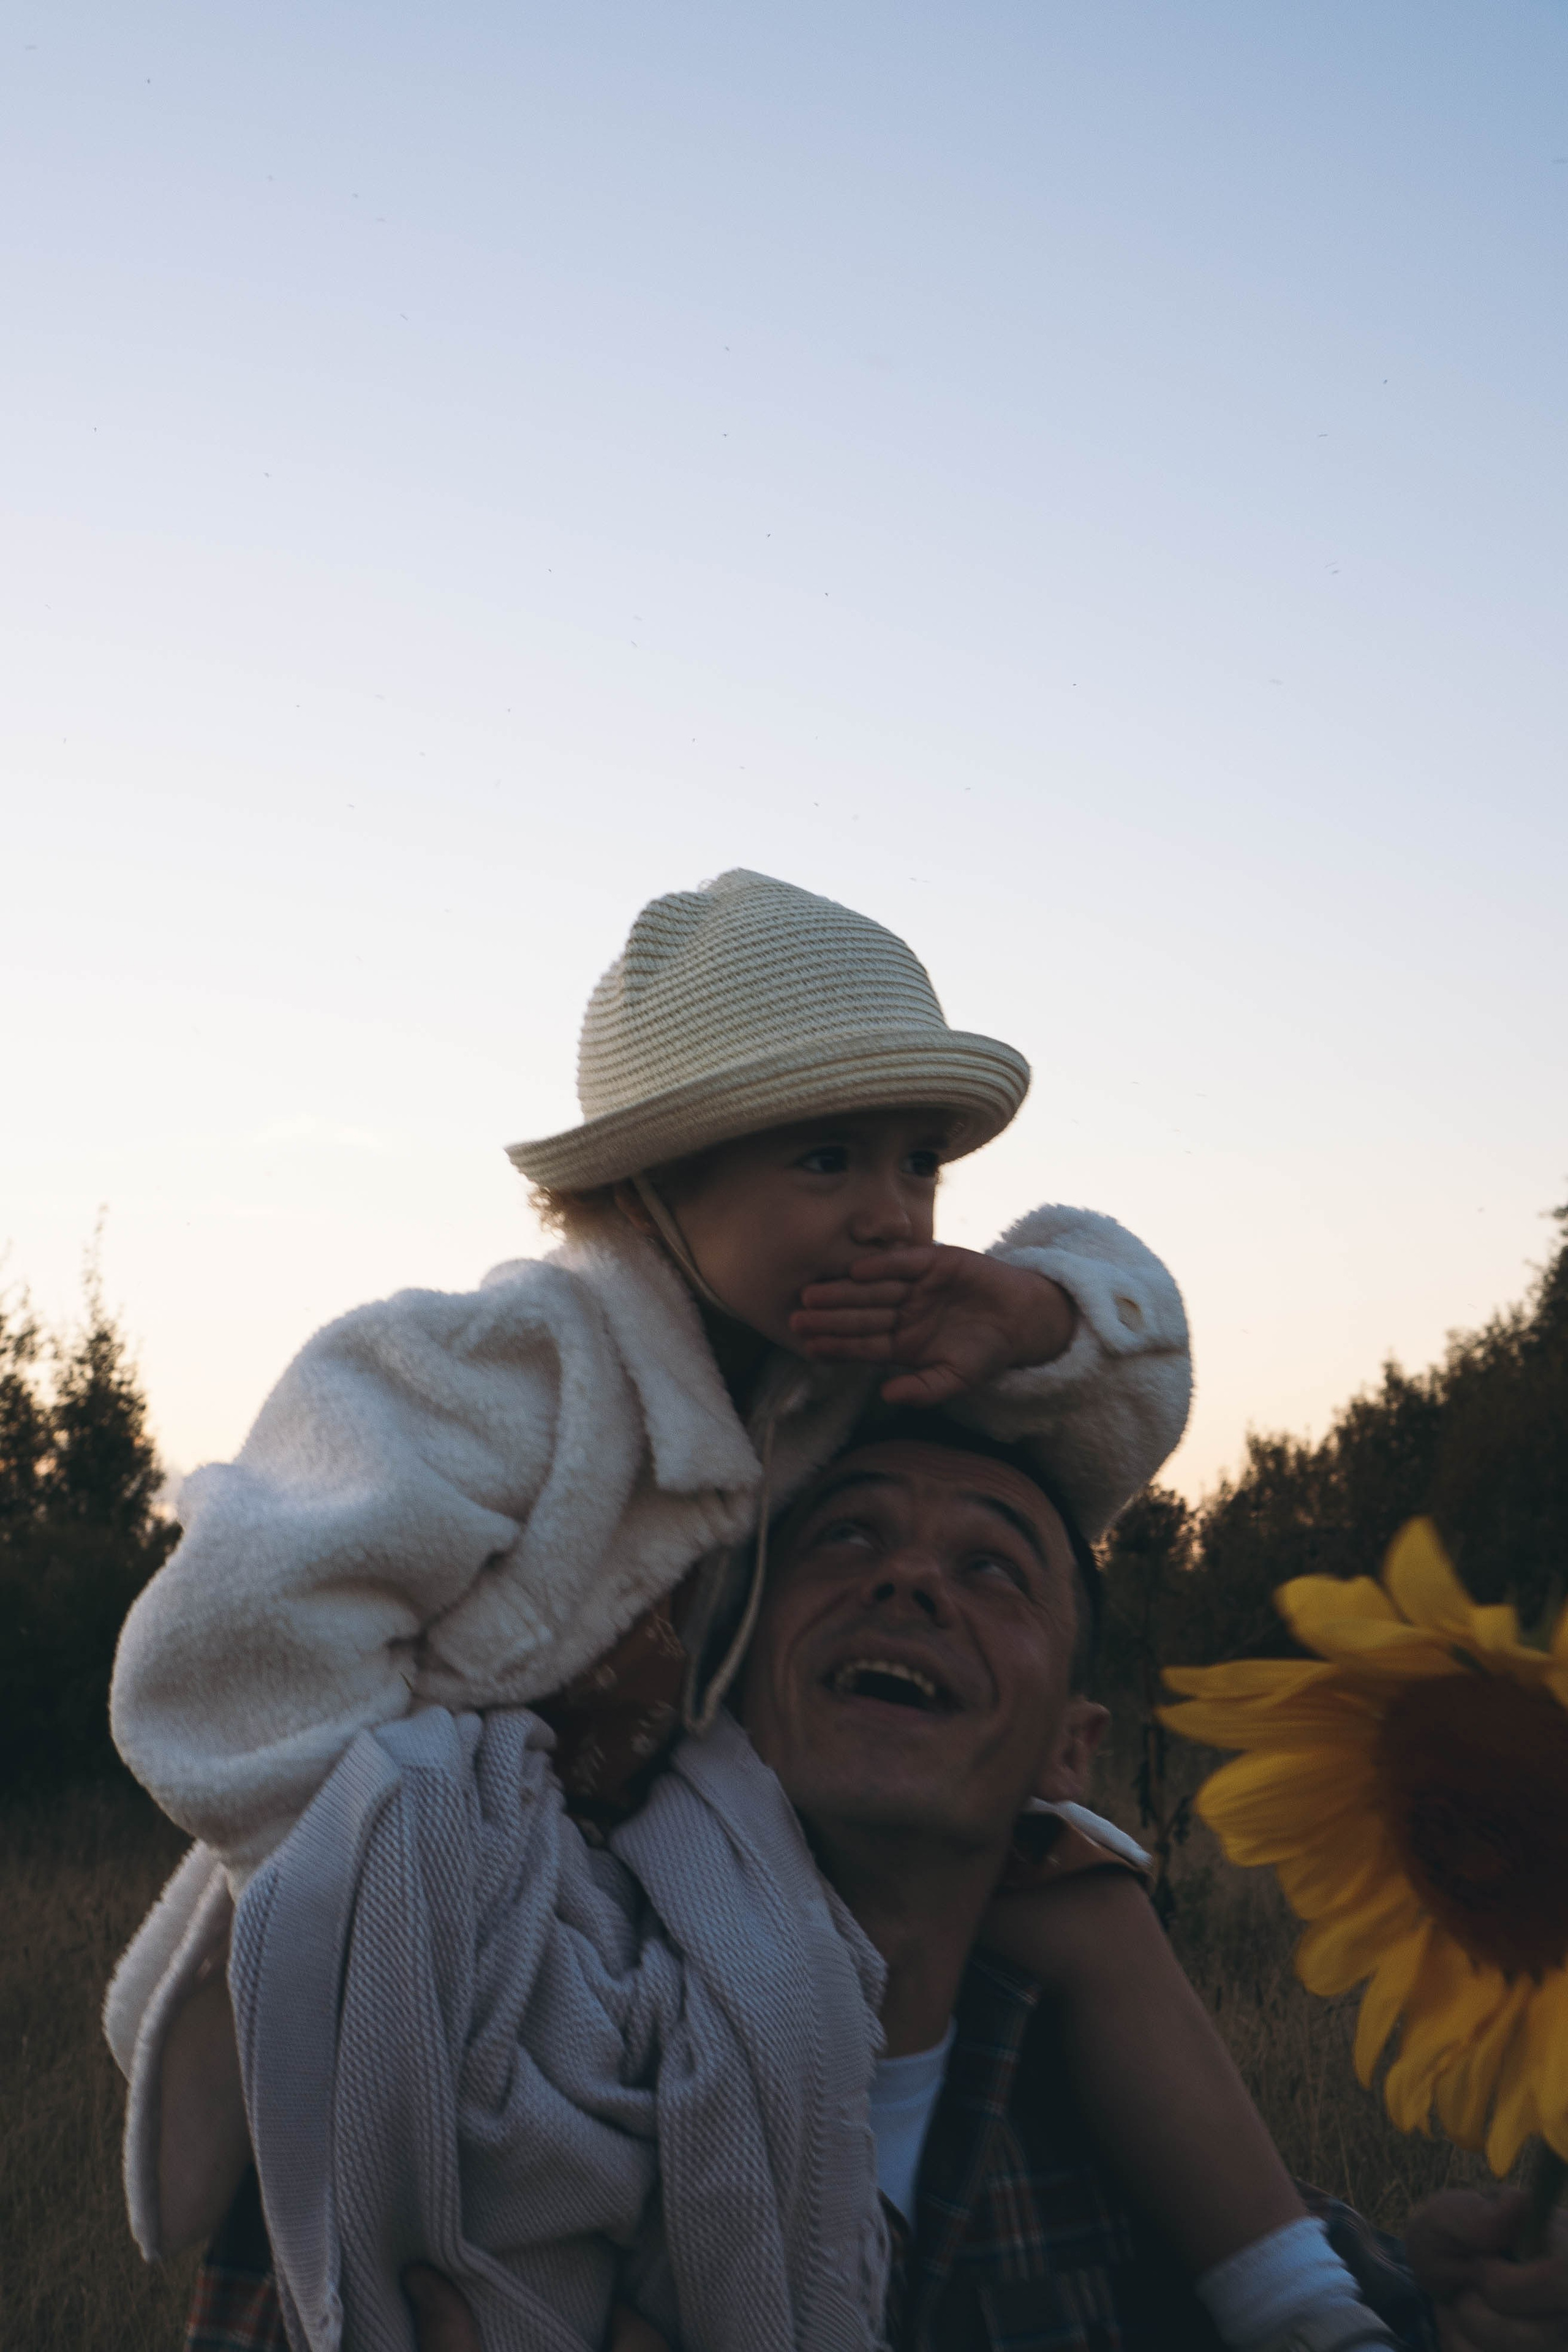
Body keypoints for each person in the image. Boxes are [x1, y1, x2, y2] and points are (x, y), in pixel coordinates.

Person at [107, 865, 1196, 2268]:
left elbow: (1113, 1417)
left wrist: (1031, 1314)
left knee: (1076, 1885)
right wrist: (480, 1915)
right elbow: (226, 1665)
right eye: (826, 1159)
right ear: (659, 1181)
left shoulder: (832, 1392)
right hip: (418, 1976)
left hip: (651, 1952)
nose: (892, 1214)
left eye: (917, 1161)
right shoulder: (495, 1371)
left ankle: (1284, 2281)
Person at [396, 1423, 1568, 2352]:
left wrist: (1474, 2315)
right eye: (845, 1538)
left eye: (992, 1567)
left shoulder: (1149, 2170)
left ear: (1072, 1752)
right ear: (732, 1682)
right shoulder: (477, 2065)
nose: (909, 1579)